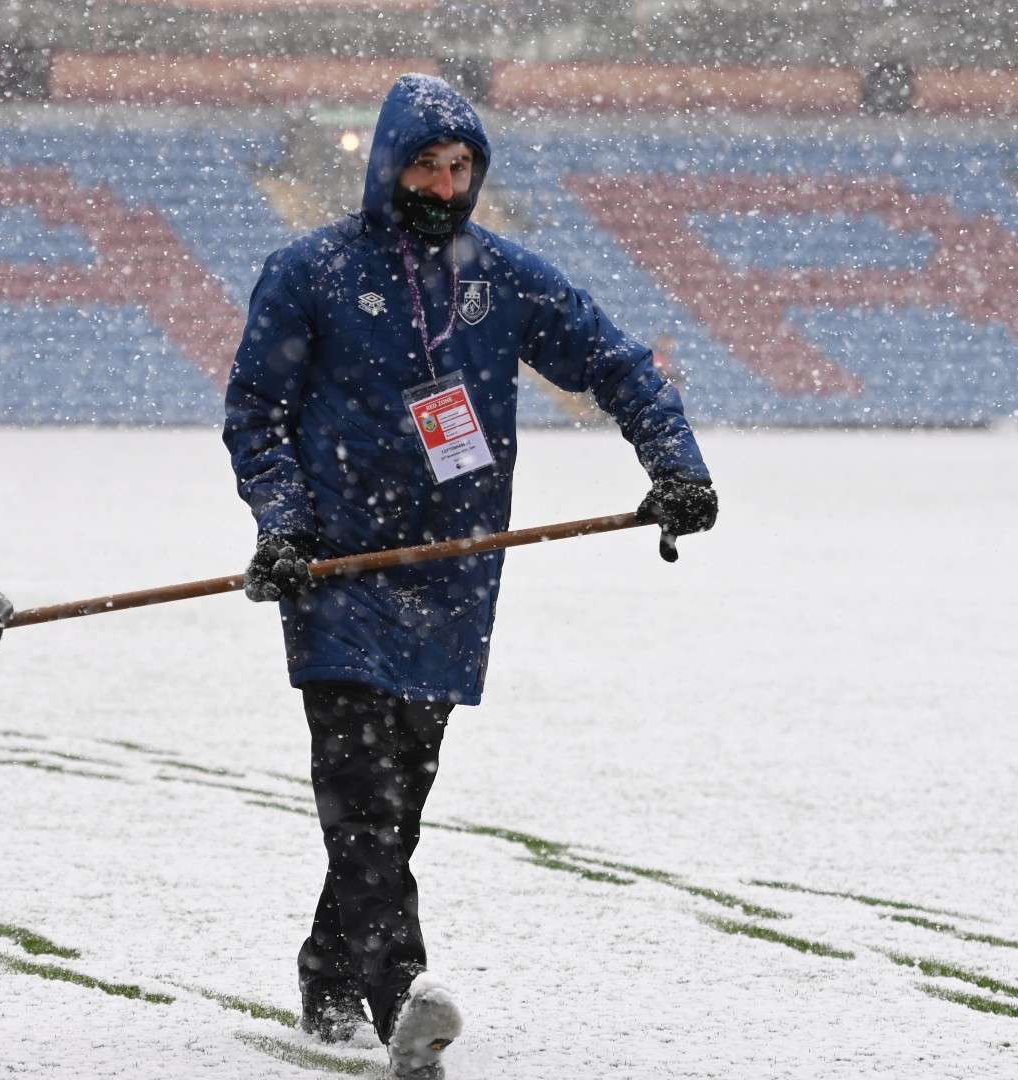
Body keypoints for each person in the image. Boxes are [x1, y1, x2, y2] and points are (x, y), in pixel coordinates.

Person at [222, 75, 717, 1080]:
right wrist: (283, 528)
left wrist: (676, 466)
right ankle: (398, 995)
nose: (445, 187)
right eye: (426, 166)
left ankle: (328, 974)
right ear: (387, 163)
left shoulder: (504, 278)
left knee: (394, 808)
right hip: (340, 577)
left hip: (453, 579)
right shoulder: (309, 272)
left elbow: (619, 364)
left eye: (461, 170)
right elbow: (257, 417)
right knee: (360, 799)